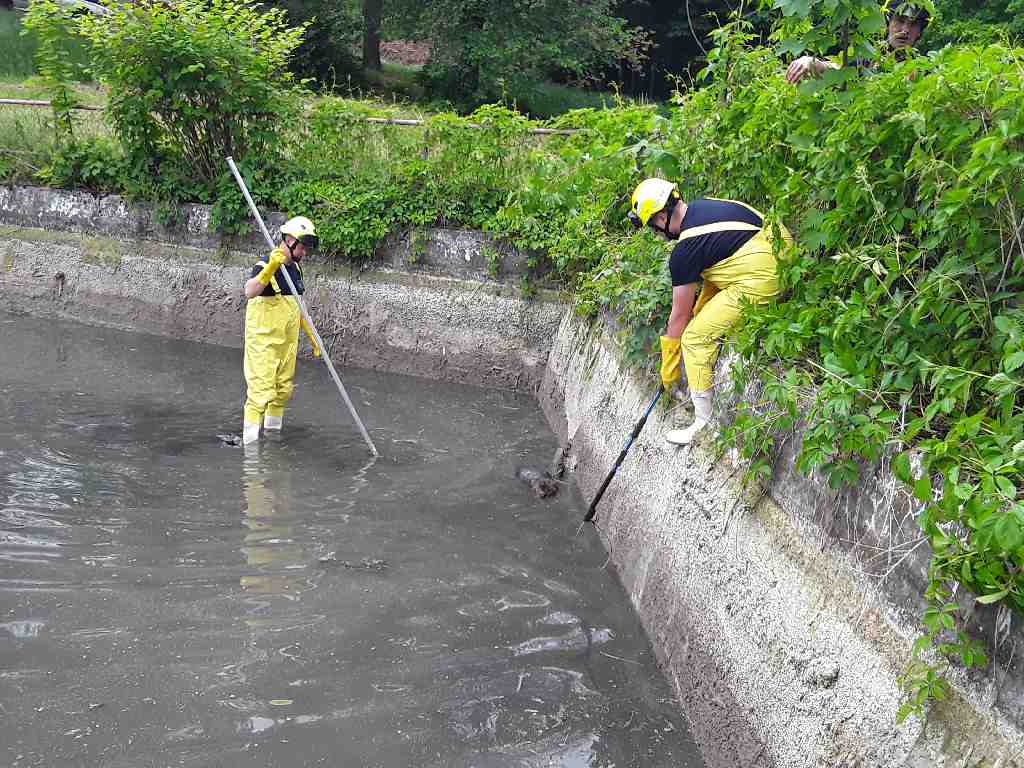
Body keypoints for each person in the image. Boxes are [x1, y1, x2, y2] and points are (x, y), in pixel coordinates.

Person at [628, 178, 792, 445]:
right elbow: (724, 255)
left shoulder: (684, 250)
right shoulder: (706, 206)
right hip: (787, 257)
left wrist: (669, 363)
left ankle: (703, 424)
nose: (656, 233)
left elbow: (679, 316)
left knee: (694, 338)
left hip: (767, 277)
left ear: (661, 218)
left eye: (653, 227)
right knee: (704, 320)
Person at [241, 216, 321, 446]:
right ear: (289, 240)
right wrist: (270, 270)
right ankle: (250, 449)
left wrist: (311, 333)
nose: (304, 252)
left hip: (287, 342)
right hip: (264, 343)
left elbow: (298, 306)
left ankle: (272, 439)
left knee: (282, 391)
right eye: (302, 246)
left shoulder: (296, 269)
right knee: (260, 393)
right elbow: (249, 291)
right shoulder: (265, 264)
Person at [785, 2, 930, 84]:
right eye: (900, 21)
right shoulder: (866, 59)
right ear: (888, 22)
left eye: (913, 24)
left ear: (920, 32)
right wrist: (810, 62)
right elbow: (838, 70)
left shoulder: (925, 70)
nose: (905, 30)